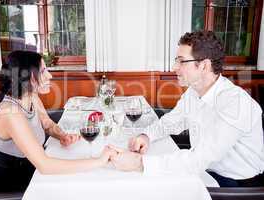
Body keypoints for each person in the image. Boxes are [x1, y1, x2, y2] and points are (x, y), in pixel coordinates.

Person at [110, 31, 264, 187]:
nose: (174, 67)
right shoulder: (194, 91)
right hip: (205, 171)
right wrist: (146, 136)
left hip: (236, 185)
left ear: (204, 65)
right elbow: (171, 123)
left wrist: (140, 163)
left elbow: (201, 158)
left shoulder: (235, 103)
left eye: (181, 61)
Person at [0, 50, 116, 192]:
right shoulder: (11, 113)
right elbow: (45, 166)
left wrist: (61, 135)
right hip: (9, 179)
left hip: (30, 166)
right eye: (43, 71)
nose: (49, 75)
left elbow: (46, 123)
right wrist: (99, 161)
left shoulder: (31, 96)